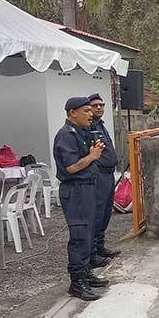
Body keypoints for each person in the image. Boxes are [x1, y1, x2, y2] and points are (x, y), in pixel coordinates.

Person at [53, 97, 109, 302]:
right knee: (79, 236)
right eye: (86, 110)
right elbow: (71, 167)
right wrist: (93, 156)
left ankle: (85, 272)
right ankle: (77, 282)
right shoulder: (66, 136)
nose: (91, 114)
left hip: (87, 188)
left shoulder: (82, 133)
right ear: (72, 113)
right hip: (76, 190)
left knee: (88, 233)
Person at [87, 93, 121, 263]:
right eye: (95, 106)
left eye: (101, 105)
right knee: (97, 213)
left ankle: (100, 246)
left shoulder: (100, 125)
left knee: (106, 212)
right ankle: (93, 253)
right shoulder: (89, 127)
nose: (99, 108)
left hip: (108, 173)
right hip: (98, 173)